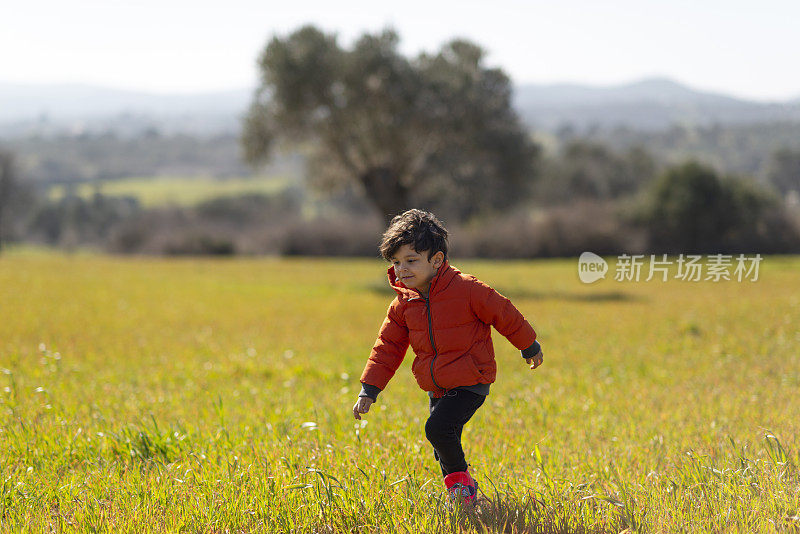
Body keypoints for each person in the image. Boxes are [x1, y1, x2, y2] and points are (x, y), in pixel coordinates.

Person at [352, 209, 544, 505]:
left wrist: (528, 345)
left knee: (437, 429)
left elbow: (504, 314)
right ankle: (462, 496)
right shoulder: (403, 303)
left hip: (471, 380)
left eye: (411, 260)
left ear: (437, 260)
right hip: (437, 385)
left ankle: (463, 490)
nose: (402, 269)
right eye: (396, 262)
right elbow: (387, 347)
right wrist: (370, 389)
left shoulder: (467, 289)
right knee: (441, 440)